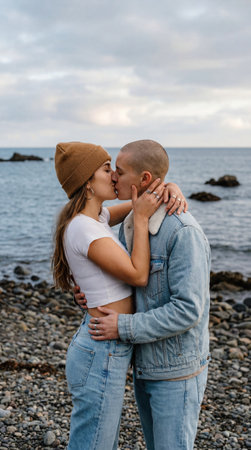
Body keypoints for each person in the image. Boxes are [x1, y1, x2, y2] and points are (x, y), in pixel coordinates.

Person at [76, 140, 211, 450]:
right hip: (145, 364)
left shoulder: (182, 232)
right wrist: (88, 295)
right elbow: (125, 281)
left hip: (176, 373)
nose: (113, 178)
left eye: (119, 173)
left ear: (145, 179)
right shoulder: (130, 223)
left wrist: (122, 327)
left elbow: (188, 310)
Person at [52, 141, 186, 450]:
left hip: (106, 347)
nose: (114, 176)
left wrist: (171, 187)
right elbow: (138, 274)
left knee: (101, 442)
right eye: (106, 168)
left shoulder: (96, 218)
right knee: (94, 444)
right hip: (101, 348)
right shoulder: (85, 228)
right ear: (87, 183)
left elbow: (145, 198)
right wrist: (140, 221)